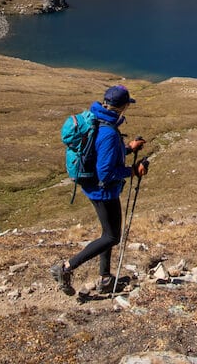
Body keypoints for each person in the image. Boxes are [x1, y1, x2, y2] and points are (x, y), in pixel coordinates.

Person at [50, 84, 147, 296]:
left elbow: (101, 151)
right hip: (103, 191)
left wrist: (129, 148)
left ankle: (105, 278)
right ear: (123, 107)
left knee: (107, 233)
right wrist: (133, 171)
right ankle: (66, 268)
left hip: (92, 187)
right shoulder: (109, 132)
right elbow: (106, 172)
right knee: (112, 237)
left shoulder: (97, 119)